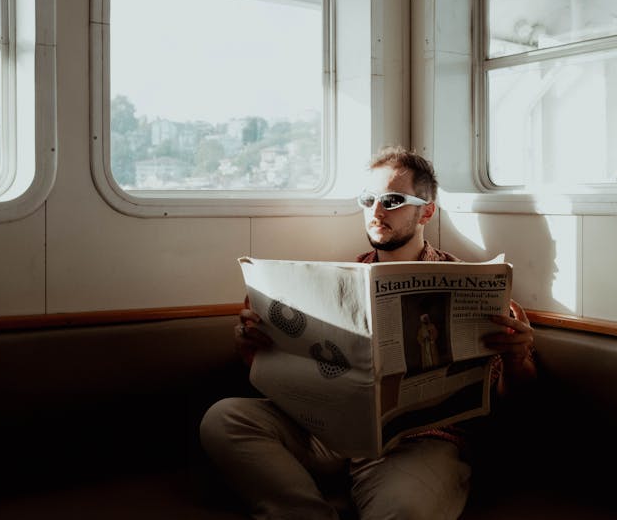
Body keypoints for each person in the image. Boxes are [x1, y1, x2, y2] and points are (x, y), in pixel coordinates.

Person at [199, 145, 537, 519]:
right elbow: (294, 367)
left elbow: (514, 403)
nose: (376, 211)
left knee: (405, 511)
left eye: (392, 200)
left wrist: (516, 357)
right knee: (224, 418)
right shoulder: (338, 281)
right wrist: (255, 345)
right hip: (331, 432)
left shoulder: (471, 287)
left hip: (421, 443)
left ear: (426, 211)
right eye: (368, 199)